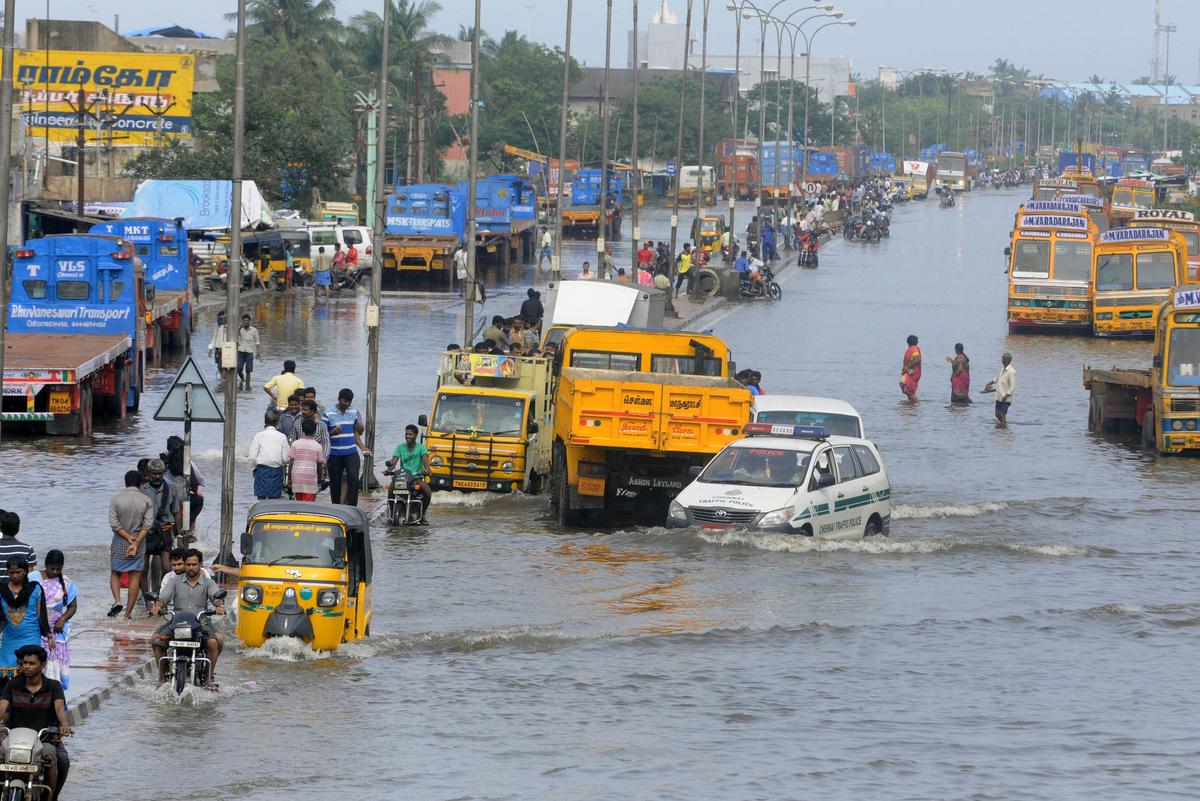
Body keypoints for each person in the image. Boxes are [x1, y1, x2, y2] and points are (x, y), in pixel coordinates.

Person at [0, 644, 72, 799]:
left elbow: (59, 709)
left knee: (59, 760)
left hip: (44, 739)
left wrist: (63, 725)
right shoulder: (13, 685)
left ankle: (50, 797)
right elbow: (2, 706)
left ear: (42, 665)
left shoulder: (53, 686)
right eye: (24, 663)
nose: (26, 666)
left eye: (31, 663)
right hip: (13, 740)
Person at [149, 549, 225, 689]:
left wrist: (220, 605)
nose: (191, 568)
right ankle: (162, 678)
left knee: (215, 642)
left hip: (200, 621)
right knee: (155, 640)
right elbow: (164, 597)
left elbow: (216, 597)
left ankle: (208, 678)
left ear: (200, 564)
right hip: (176, 621)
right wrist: (157, 606)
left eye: (194, 564)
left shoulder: (208, 582)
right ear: (184, 564)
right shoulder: (175, 581)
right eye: (188, 564)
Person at [107, 470, 153, 619]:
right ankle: (127, 614)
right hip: (138, 541)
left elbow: (114, 523)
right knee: (135, 577)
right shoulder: (146, 500)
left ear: (125, 482)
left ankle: (117, 600)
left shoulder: (116, 499)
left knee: (115, 572)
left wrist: (127, 537)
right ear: (140, 484)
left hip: (121, 539)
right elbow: (148, 525)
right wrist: (136, 541)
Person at [32, 551, 75, 692]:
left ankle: (54, 696)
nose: (55, 572)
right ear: (46, 565)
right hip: (35, 627)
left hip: (56, 631)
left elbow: (73, 606)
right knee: (34, 663)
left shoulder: (66, 583)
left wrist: (62, 619)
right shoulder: (33, 578)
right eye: (52, 569)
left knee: (54, 666)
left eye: (58, 569)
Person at [140, 459, 181, 605]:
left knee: (167, 568)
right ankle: (147, 601)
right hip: (147, 532)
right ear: (148, 474)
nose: (157, 477)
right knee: (143, 569)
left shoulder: (172, 488)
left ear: (163, 473)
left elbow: (176, 512)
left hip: (165, 530)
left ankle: (162, 599)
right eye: (154, 474)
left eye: (159, 473)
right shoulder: (142, 489)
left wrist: (179, 532)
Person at [0, 557, 51, 674]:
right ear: (7, 572)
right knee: (6, 673)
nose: (15, 576)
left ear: (25, 572)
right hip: (9, 638)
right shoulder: (2, 591)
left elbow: (41, 615)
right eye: (11, 573)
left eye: (18, 572)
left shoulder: (35, 589)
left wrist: (49, 637)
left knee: (28, 670)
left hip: (31, 637)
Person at [324, 388, 370, 506]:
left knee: (353, 479)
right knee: (335, 482)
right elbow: (323, 435)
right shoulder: (328, 413)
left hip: (351, 453)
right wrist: (333, 432)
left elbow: (357, 432)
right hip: (335, 454)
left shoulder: (354, 412)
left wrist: (362, 447)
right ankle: (336, 507)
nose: (347, 404)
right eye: (344, 401)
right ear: (339, 399)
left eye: (349, 402)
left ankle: (353, 507)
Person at [385, 424, 432, 525]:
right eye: (406, 434)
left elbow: (425, 461)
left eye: (410, 434)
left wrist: (428, 470)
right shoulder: (400, 447)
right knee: (391, 489)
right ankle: (391, 514)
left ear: (415, 435)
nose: (408, 436)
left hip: (416, 478)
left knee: (427, 491)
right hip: (402, 477)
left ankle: (422, 515)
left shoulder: (421, 448)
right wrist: (388, 469)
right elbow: (393, 462)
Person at [249, 410, 290, 500]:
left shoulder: (258, 435)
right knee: (274, 498)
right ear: (277, 422)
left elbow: (252, 457)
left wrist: (253, 469)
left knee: (261, 497)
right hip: (276, 470)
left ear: (265, 421)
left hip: (262, 470)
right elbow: (286, 458)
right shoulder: (282, 436)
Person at [288, 418, 326, 502]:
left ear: (302, 430)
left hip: (297, 479)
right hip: (310, 479)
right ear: (315, 430)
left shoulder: (295, 444)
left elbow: (291, 463)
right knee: (308, 506)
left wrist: (289, 479)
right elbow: (319, 466)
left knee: (299, 502)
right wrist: (319, 481)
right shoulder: (317, 446)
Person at [986, 352, 1017, 426]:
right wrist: (990, 383)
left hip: (1005, 398)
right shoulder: (1002, 369)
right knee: (997, 414)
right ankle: (1002, 425)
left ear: (1008, 360)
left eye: (1003, 359)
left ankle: (1004, 429)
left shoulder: (1011, 372)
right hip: (999, 396)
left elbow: (1013, 386)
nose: (1002, 360)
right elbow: (997, 378)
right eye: (1002, 358)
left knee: (1003, 414)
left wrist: (1006, 396)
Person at [236, 313, 260, 391]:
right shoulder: (239, 329)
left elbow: (257, 341)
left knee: (248, 370)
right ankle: (242, 378)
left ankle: (247, 386)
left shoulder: (254, 330)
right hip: (240, 351)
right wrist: (239, 328)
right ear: (242, 321)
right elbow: (234, 337)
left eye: (247, 321)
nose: (245, 322)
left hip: (249, 352)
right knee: (239, 368)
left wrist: (258, 352)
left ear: (250, 321)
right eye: (244, 321)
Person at [206, 310, 227, 379]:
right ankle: (222, 377)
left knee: (224, 364)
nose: (221, 321)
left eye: (222, 319)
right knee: (218, 365)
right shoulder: (217, 326)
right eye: (219, 319)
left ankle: (223, 378)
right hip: (218, 347)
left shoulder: (229, 326)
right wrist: (210, 348)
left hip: (226, 348)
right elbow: (214, 337)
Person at [900, 334, 922, 400]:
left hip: (913, 372)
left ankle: (917, 404)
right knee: (906, 389)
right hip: (910, 371)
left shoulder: (914, 349)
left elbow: (917, 359)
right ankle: (911, 407)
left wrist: (907, 367)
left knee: (910, 391)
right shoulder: (912, 349)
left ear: (908, 342)